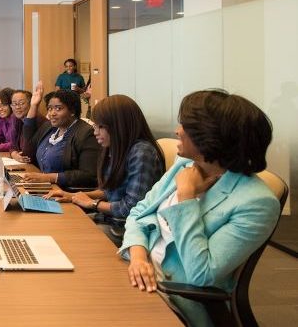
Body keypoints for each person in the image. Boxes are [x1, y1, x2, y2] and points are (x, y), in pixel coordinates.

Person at [119, 90, 279, 326]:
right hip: (138, 271)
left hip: (172, 297)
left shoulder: (257, 203)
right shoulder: (185, 164)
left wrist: (186, 197)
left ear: (211, 137)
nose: (177, 131)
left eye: (185, 125)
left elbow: (202, 274)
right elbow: (139, 212)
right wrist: (138, 256)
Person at [44, 95, 165, 246]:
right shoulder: (117, 148)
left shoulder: (142, 152)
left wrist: (92, 203)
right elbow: (111, 191)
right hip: (109, 220)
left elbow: (131, 208)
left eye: (100, 127)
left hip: (127, 230)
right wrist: (73, 196)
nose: (95, 132)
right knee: (57, 227)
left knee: (68, 238)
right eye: (95, 126)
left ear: (119, 126)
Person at [21, 84, 100, 189]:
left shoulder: (86, 134)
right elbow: (28, 144)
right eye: (49, 109)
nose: (52, 113)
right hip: (45, 187)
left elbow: (89, 176)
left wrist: (51, 178)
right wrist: (34, 106)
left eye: (58, 108)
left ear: (72, 111)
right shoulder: (49, 127)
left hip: (67, 194)